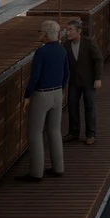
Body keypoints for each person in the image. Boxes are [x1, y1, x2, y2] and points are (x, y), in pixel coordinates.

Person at [17, 21, 69, 182]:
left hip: (42, 94)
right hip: (57, 92)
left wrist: (27, 95)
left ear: (45, 34)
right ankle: (58, 167)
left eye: (40, 31)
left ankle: (36, 172)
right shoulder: (61, 50)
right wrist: (62, 89)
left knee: (35, 132)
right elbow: (66, 71)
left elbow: (35, 77)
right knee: (54, 130)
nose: (39, 34)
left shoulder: (41, 52)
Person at [63, 19, 103, 145]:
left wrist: (98, 78)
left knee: (89, 107)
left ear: (79, 31)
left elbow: (98, 59)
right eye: (67, 30)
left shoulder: (89, 42)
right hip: (74, 81)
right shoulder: (66, 45)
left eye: (70, 30)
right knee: (72, 106)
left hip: (89, 80)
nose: (68, 32)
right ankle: (73, 132)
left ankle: (90, 134)